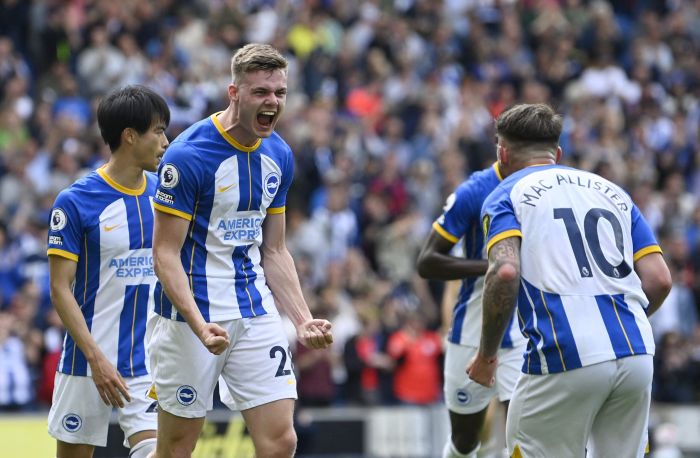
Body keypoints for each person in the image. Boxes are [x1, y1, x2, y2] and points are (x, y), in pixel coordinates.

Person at [149, 43, 333, 458]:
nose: (273, 102)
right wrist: (200, 325)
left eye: (280, 93)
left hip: (254, 309)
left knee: (281, 442)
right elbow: (165, 255)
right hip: (190, 318)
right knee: (176, 449)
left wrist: (302, 319)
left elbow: (275, 250)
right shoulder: (188, 155)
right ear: (234, 93)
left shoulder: (279, 154)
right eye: (261, 92)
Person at [468, 103, 672, 457]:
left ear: (502, 154)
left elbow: (505, 271)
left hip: (563, 352)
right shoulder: (612, 192)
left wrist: (486, 356)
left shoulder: (504, 195)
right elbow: (660, 279)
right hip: (636, 350)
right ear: (558, 153)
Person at [46, 85, 170, 458]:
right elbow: (59, 289)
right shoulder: (75, 201)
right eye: (158, 132)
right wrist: (96, 358)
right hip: (86, 362)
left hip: (145, 363)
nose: (165, 142)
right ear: (129, 136)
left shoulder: (164, 195)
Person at [416, 160, 526, 458]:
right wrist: (493, 267)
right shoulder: (474, 191)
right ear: (503, 149)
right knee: (466, 439)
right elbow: (428, 264)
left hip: (525, 333)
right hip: (471, 331)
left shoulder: (550, 188)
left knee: (524, 434)